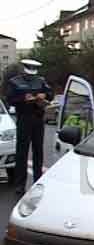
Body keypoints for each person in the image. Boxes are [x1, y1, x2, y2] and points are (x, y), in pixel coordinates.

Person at [5, 59, 53, 195]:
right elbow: (9, 99)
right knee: (21, 153)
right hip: (24, 119)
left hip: (38, 119)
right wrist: (23, 99)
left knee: (38, 151)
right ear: (25, 69)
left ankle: (38, 181)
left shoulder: (41, 81)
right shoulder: (14, 82)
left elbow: (50, 94)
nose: (32, 73)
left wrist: (44, 95)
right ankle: (20, 185)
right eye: (30, 69)